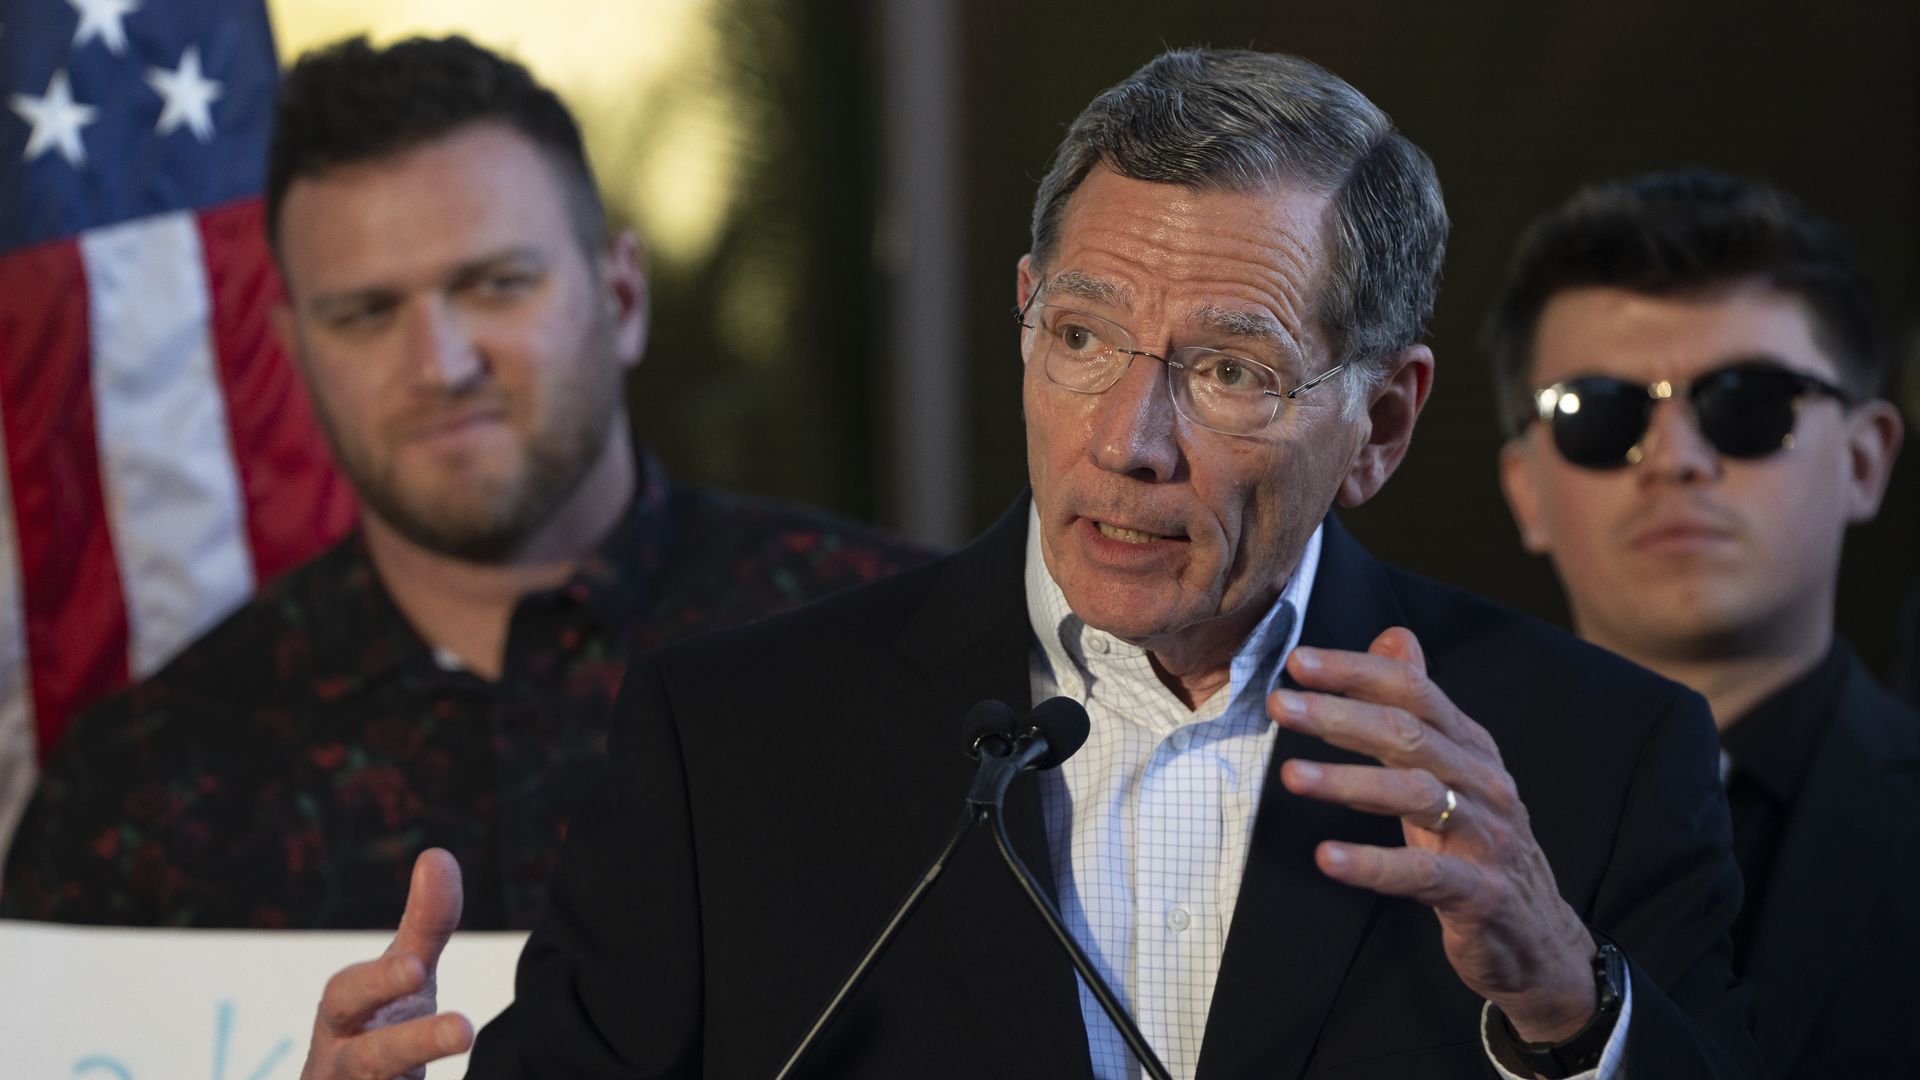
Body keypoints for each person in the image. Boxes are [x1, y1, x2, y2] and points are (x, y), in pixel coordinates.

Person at [301, 50, 1762, 1079]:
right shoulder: (734, 743)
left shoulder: (1593, 760)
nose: (1128, 441)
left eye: (1231, 370)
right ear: (1022, 320)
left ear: (1380, 420)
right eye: (1081, 339)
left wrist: (1578, 1014)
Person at [0, 36, 930, 931]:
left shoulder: (917, 653)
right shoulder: (141, 788)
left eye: (495, 285)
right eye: (367, 313)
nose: (440, 366)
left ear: (622, 300)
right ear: (296, 357)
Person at [1485, 168, 1917, 1076]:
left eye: (1749, 405)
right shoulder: (1403, 839)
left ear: (1868, 459)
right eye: (1598, 414)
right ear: (1526, 489)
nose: (1675, 460)